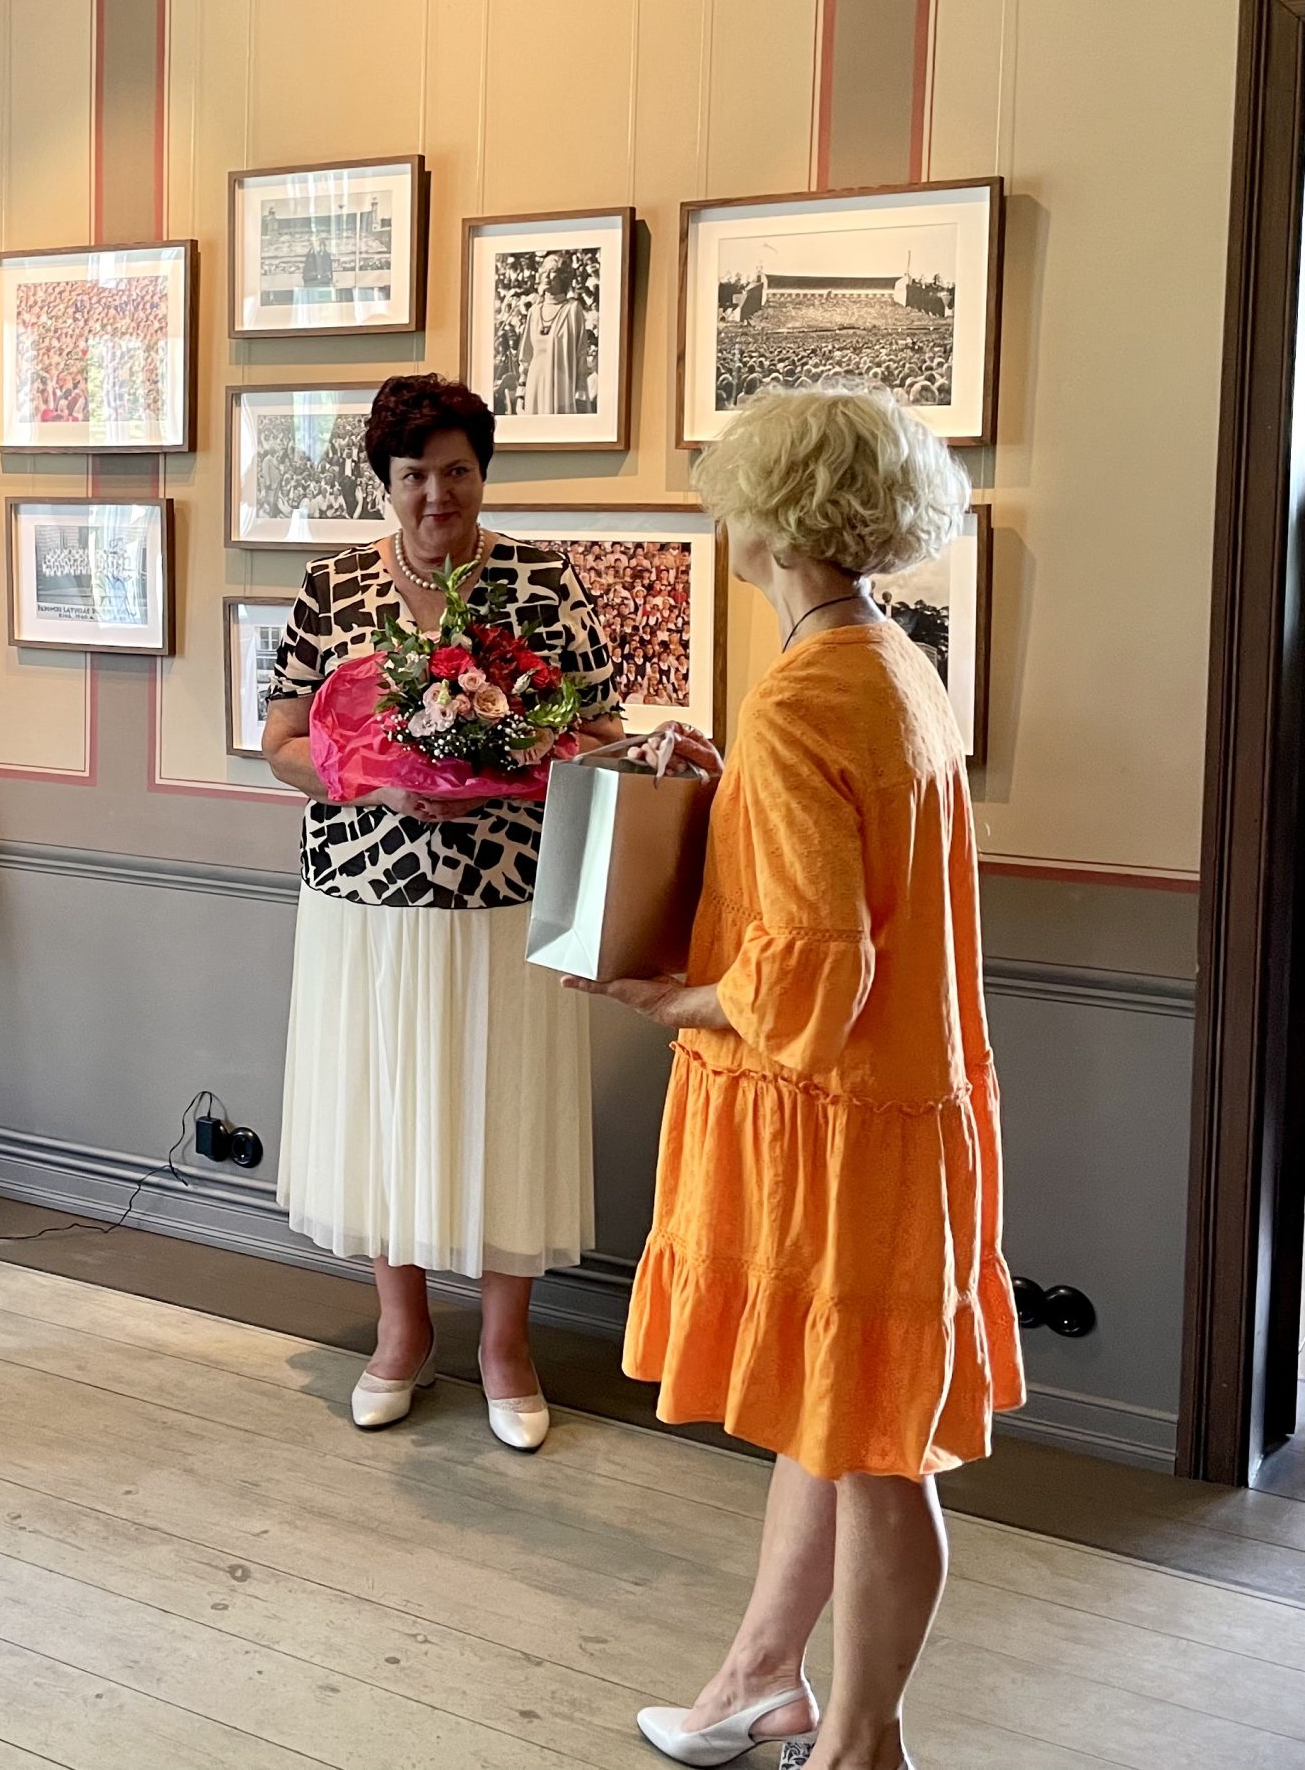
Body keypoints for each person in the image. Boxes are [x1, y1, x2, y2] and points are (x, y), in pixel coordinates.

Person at [568, 387, 1022, 1770]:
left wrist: (672, 997)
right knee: (841, 1413)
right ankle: (762, 1679)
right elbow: (851, 888)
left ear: (769, 517)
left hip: (837, 1122)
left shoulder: (806, 695)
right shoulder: (888, 663)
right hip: (898, 1108)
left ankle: (864, 1743)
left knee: (877, 1441)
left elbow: (815, 971)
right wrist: (726, 796)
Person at [259, 374, 625, 1450]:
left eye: (457, 471)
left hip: (508, 896)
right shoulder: (332, 586)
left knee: (506, 1108)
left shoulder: (541, 579)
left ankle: (505, 1345)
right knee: (388, 1105)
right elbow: (280, 741)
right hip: (365, 897)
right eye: (415, 473)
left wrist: (512, 754)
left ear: (483, 474)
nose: (437, 495)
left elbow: (604, 730)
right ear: (385, 478)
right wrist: (374, 783)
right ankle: (401, 1331)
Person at [521, 251, 591, 416]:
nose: (546, 276)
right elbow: (526, 356)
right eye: (544, 271)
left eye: (552, 272)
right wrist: (521, 392)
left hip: (562, 386)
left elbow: (581, 353)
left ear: (563, 277)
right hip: (535, 384)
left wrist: (581, 391)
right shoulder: (534, 312)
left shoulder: (573, 310)